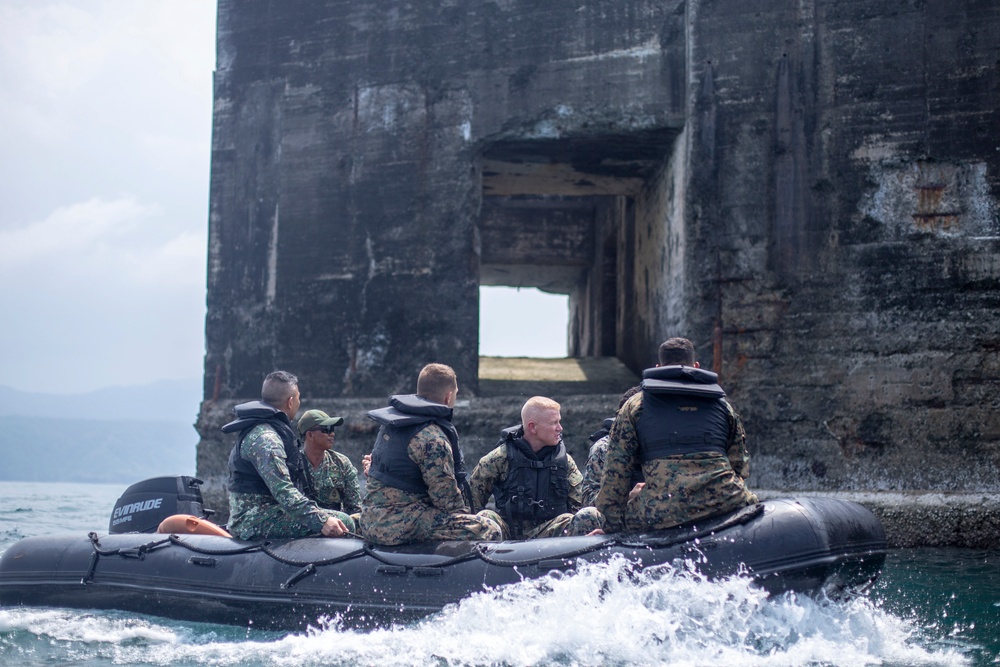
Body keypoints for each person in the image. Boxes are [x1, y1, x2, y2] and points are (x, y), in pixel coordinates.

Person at [595, 337, 758, 533]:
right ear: (695, 365)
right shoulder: (723, 405)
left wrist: (612, 526)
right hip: (724, 501)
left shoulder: (634, 405)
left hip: (660, 511)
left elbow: (615, 473)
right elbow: (739, 465)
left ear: (658, 367)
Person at [361, 363, 503, 545]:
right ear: (448, 396)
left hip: (371, 518)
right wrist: (465, 517)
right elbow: (447, 502)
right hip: (397, 525)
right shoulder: (433, 439)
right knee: (489, 529)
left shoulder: (391, 426)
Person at [223, 371, 353, 540]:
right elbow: (283, 490)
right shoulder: (266, 439)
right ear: (291, 402)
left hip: (267, 512)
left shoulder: (265, 432)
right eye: (298, 398)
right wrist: (321, 521)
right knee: (344, 521)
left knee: (334, 516)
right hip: (252, 520)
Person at [468, 396, 602, 539]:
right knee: (484, 517)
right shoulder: (499, 458)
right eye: (554, 423)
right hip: (508, 534)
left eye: (559, 422)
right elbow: (471, 505)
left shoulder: (564, 462)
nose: (560, 428)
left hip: (550, 533)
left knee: (589, 515)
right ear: (533, 427)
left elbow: (580, 506)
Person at [581, 385, 642, 507]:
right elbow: (588, 502)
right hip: (620, 518)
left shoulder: (663, 444)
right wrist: (628, 498)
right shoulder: (604, 448)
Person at [297, 409, 363, 518]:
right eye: (326, 429)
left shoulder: (341, 464)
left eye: (332, 429)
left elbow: (355, 508)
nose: (332, 433)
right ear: (310, 435)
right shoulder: (293, 464)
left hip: (336, 527)